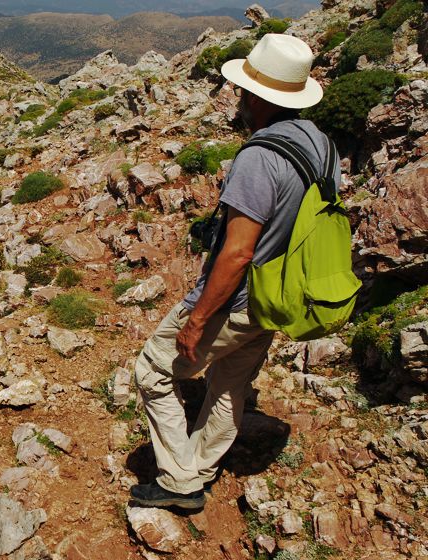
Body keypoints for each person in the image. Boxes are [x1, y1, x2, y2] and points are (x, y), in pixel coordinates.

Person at [130, 34, 338, 510]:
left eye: (245, 92)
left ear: (261, 99)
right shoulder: (320, 145)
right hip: (280, 296)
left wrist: (198, 319)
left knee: (152, 371)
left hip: (237, 299)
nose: (239, 100)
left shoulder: (259, 157)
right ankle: (200, 466)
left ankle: (179, 481)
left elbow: (238, 252)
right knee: (229, 384)